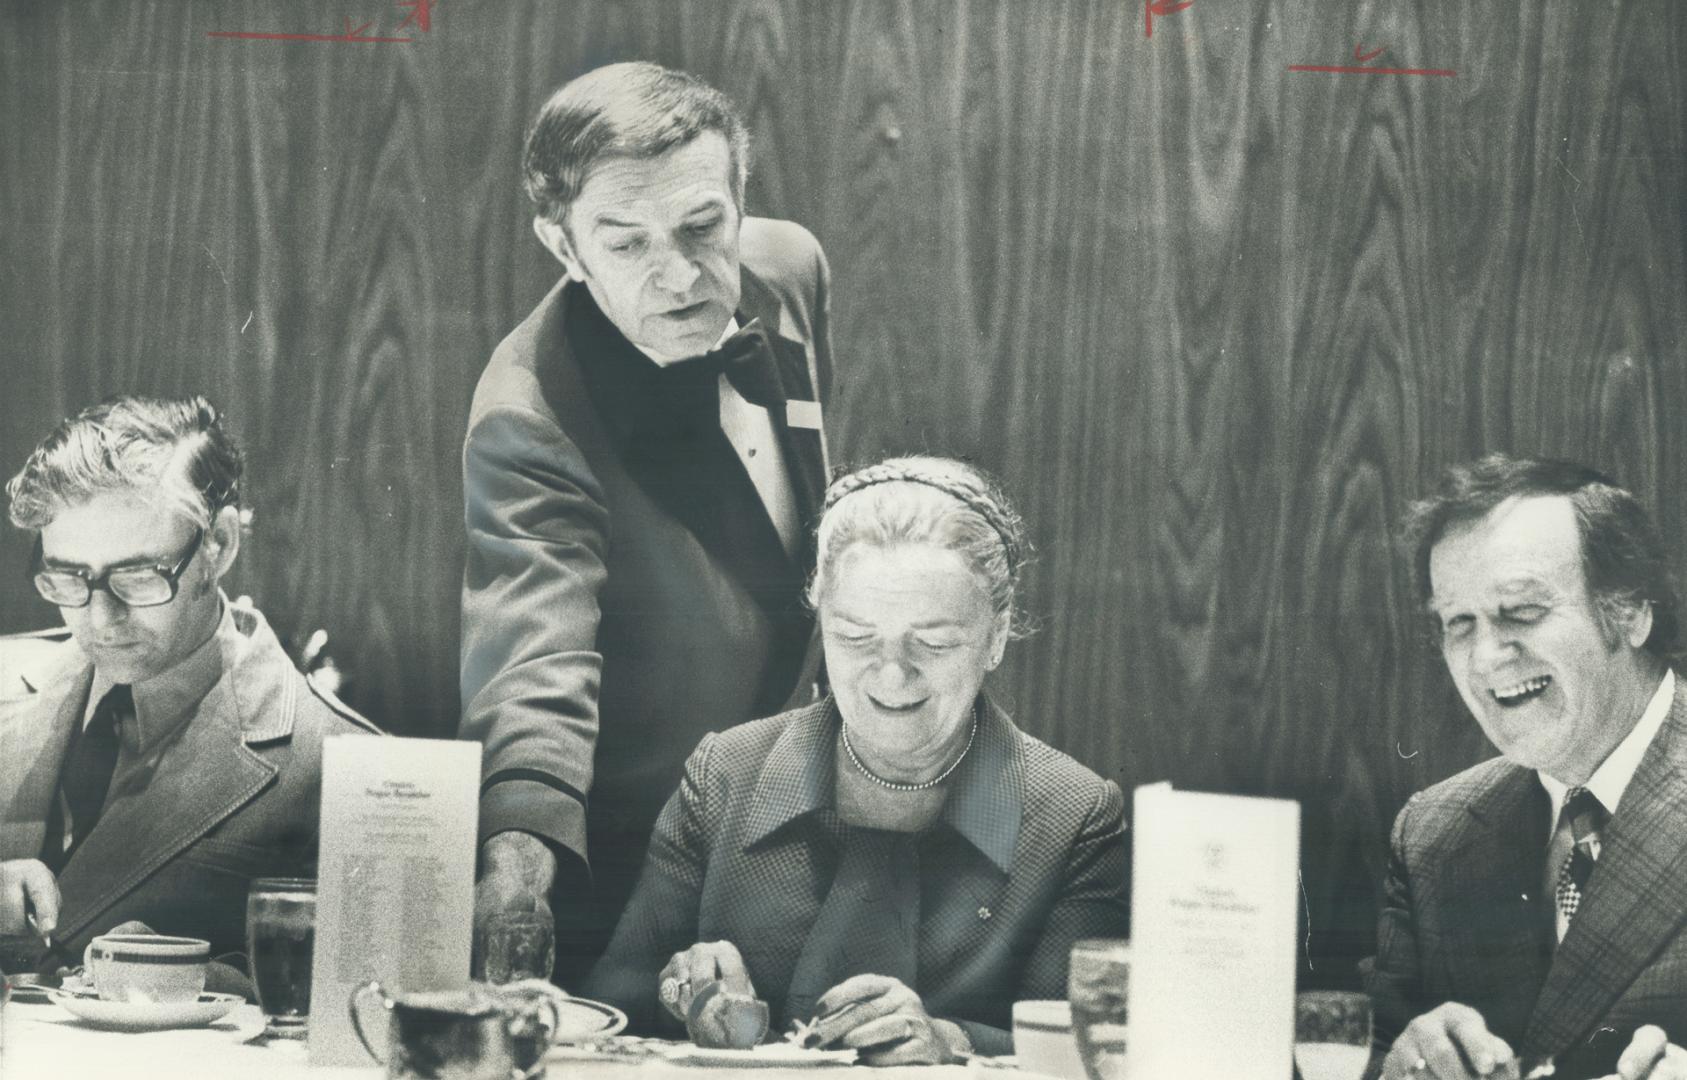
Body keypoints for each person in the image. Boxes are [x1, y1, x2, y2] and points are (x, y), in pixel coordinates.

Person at [459, 60, 835, 985]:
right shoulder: (527, 414)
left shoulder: (789, 270)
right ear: (562, 244)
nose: (676, 274)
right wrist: (517, 863)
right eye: (624, 243)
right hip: (632, 866)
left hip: (804, 822)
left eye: (702, 226)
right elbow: (532, 664)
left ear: (740, 201)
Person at [583, 457, 1129, 1062]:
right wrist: (685, 996)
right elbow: (609, 1019)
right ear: (820, 620)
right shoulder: (725, 777)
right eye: (855, 637)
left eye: (935, 641)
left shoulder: (1075, 817)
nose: (892, 675)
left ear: (996, 636)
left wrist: (951, 1041)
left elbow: (1082, 1052)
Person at [0, 396, 378, 966]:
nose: (100, 620)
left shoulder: (346, 764)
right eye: (68, 580)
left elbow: (354, 1009)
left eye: (138, 578)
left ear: (219, 547)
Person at [1365, 454, 1687, 1080]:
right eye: (1458, 623)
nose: (1485, 658)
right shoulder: (1432, 832)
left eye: (1520, 612)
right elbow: (1374, 1057)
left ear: (1633, 612)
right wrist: (1402, 1065)